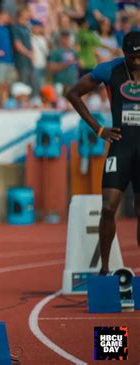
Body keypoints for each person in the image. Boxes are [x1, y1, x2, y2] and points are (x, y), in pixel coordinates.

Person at [66, 31, 140, 275]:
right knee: (108, 208)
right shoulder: (110, 70)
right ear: (123, 53)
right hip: (120, 147)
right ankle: (105, 268)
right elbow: (73, 93)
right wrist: (98, 129)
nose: (136, 62)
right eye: (131, 57)